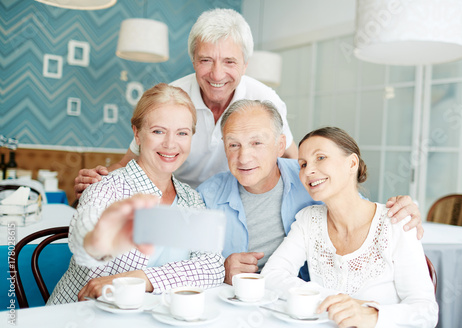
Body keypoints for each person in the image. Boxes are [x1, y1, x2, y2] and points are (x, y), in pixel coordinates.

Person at [74, 8, 297, 197]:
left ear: (245, 64)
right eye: (206, 60)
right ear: (193, 61)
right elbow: (130, 162)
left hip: (237, 202)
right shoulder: (172, 98)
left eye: (229, 61)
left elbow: (293, 159)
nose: (217, 75)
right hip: (179, 201)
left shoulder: (265, 100)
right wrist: (97, 178)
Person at [196, 100, 424, 285]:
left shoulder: (310, 177)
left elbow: (357, 210)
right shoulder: (206, 196)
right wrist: (219, 271)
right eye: (233, 145)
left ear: (279, 145)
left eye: (256, 143)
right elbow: (183, 264)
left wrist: (403, 210)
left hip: (296, 305)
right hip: (234, 302)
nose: (244, 157)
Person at [47, 83, 224, 305]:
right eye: (158, 131)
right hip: (82, 317)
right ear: (137, 134)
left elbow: (213, 267)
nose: (170, 144)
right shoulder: (108, 186)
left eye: (182, 133)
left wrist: (141, 278)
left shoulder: (191, 199)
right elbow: (86, 243)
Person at [261, 127, 438, 328]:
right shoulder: (308, 220)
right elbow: (271, 275)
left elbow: (426, 312)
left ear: (352, 163)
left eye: (320, 157)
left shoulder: (396, 222)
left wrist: (371, 314)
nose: (308, 170)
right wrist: (334, 300)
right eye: (303, 164)